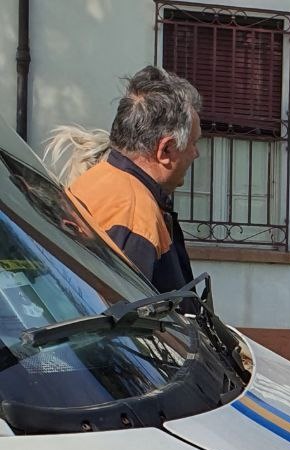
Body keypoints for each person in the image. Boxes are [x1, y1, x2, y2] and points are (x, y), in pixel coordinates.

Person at [56, 66, 201, 293]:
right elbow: (120, 319)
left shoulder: (99, 177)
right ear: (165, 150)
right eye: (194, 143)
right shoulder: (135, 217)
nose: (196, 153)